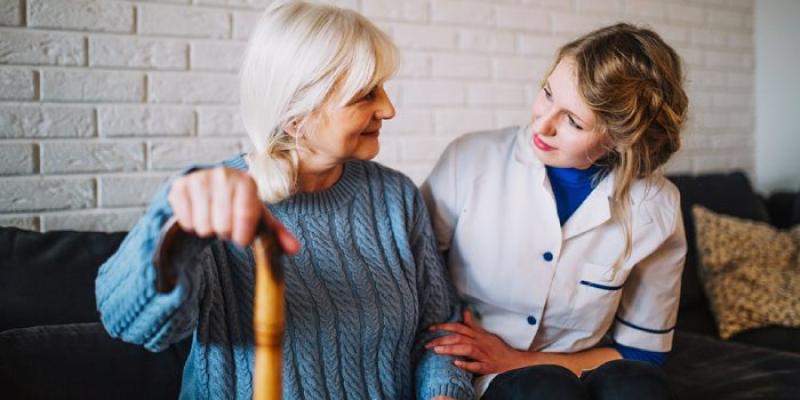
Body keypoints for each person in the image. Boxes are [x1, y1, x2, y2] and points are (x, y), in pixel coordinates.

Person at [95, 1, 473, 399]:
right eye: (365, 95)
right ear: (297, 117)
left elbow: (439, 331)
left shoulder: (396, 198)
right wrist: (176, 227)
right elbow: (129, 325)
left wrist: (442, 393)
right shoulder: (221, 205)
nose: (388, 109)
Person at [421, 23, 689, 400]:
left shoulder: (656, 206)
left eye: (573, 121)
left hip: (587, 369)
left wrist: (516, 358)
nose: (542, 124)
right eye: (547, 94)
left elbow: (643, 351)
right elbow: (414, 284)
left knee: (639, 386)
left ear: (618, 138)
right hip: (485, 377)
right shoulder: (468, 160)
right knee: (547, 390)